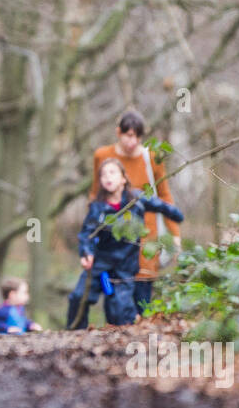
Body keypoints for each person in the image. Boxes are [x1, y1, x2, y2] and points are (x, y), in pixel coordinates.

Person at [70, 157, 184, 328]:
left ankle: (123, 344)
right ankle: (74, 334)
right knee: (79, 297)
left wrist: (175, 215)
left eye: (112, 173)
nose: (107, 177)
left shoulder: (136, 199)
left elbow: (160, 205)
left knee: (121, 310)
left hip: (125, 264)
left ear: (123, 178)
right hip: (101, 263)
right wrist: (87, 253)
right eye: (103, 175)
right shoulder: (97, 207)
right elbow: (87, 233)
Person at [88, 110, 181, 317]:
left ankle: (142, 336)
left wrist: (174, 234)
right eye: (128, 135)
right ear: (118, 133)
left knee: (142, 285)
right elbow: (95, 194)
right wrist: (92, 232)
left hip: (145, 231)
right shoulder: (102, 156)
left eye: (137, 136)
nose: (132, 141)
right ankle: (113, 336)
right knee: (113, 285)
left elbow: (164, 196)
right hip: (112, 232)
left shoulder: (152, 158)